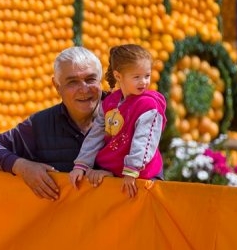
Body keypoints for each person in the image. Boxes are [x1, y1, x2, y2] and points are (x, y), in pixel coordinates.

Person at [0, 46, 104, 201]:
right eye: (72, 82)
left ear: (101, 80)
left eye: (90, 79)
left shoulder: (124, 114)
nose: (84, 89)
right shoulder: (41, 125)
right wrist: (22, 167)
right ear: (57, 87)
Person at [69, 44, 167, 198]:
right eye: (136, 77)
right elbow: (96, 135)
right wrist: (81, 165)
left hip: (141, 174)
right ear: (118, 76)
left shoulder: (149, 106)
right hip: (117, 170)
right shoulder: (110, 102)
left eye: (147, 76)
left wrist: (132, 171)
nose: (143, 82)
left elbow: (144, 140)